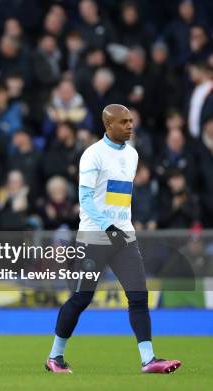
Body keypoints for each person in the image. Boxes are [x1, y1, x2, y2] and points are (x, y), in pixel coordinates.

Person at [45, 104, 181, 374]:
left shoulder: (132, 154)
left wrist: (122, 229)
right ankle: (54, 357)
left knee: (139, 296)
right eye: (124, 122)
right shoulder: (92, 155)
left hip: (124, 237)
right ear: (108, 125)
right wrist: (109, 227)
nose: (130, 126)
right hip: (95, 237)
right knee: (81, 298)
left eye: (131, 121)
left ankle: (148, 359)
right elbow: (85, 199)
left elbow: (120, 199)